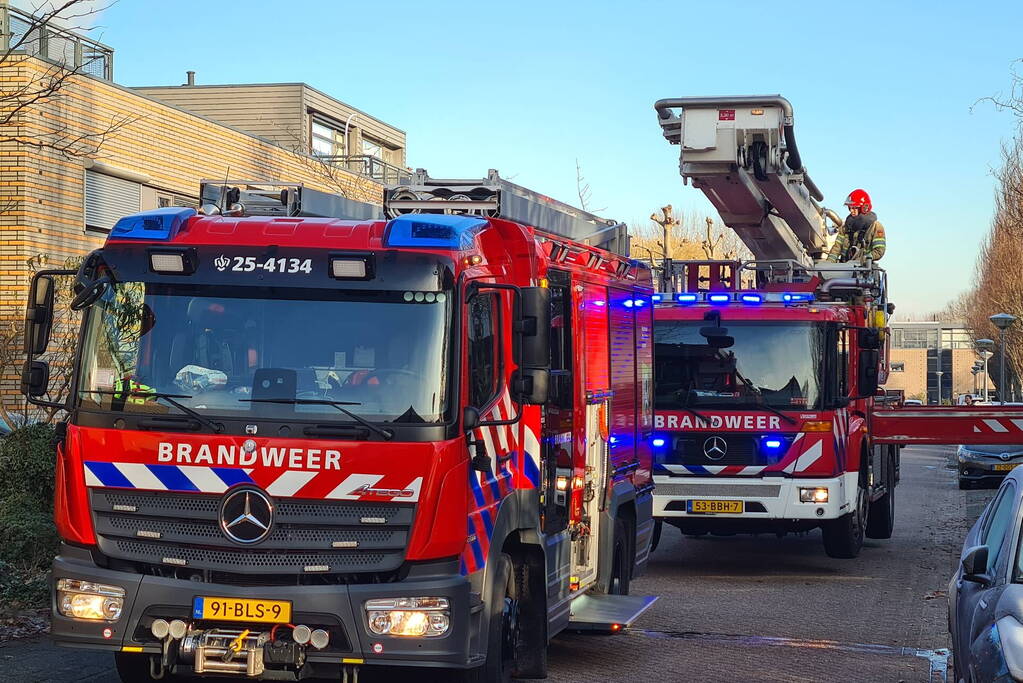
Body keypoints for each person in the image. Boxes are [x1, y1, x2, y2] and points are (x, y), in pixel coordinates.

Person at [827, 189, 887, 263]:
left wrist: (864, 259)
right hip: (844, 266)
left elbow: (879, 251)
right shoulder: (846, 226)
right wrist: (828, 264)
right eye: (850, 208)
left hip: (863, 268)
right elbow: (837, 248)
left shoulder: (876, 226)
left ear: (864, 208)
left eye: (854, 208)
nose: (851, 211)